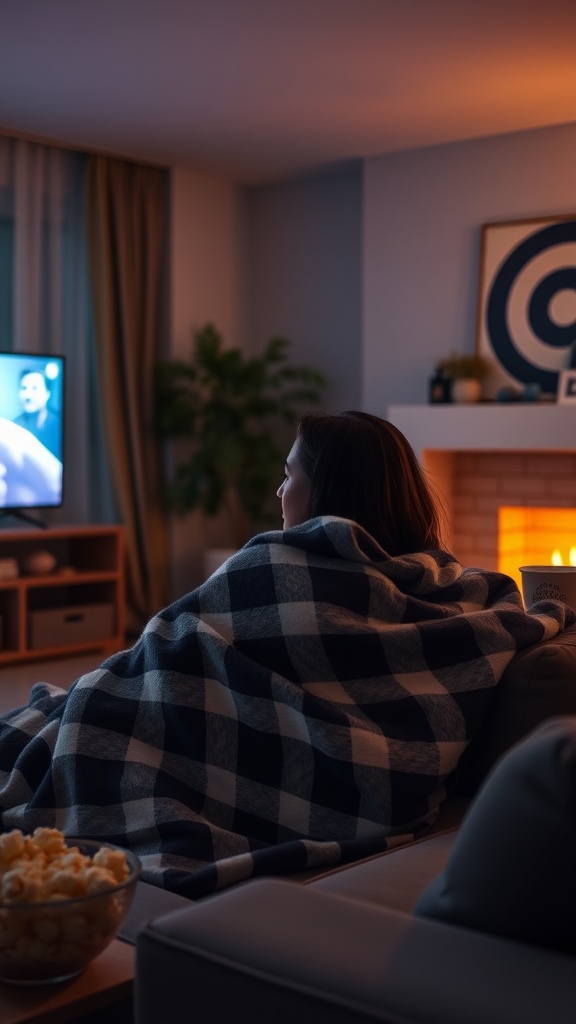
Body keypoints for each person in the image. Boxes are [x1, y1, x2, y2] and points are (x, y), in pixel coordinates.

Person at [0, 411, 572, 900]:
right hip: (376, 799)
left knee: (74, 709)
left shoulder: (272, 566)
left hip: (149, 731)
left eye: (288, 474)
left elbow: (173, 643)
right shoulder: (455, 590)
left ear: (328, 490)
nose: (279, 492)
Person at [13, 368, 62, 460]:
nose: (28, 395)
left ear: (47, 394)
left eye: (34, 388)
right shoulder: (15, 426)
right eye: (24, 388)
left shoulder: (60, 424)